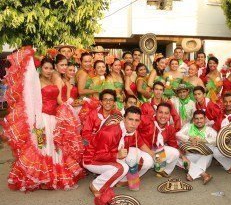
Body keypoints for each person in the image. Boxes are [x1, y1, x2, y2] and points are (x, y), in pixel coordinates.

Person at [5, 50, 84, 191]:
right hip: (41, 119)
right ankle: (40, 178)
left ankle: (51, 177)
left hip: (54, 119)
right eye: (45, 68)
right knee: (41, 146)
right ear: (41, 68)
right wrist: (36, 120)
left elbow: (59, 98)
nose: (48, 70)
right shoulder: (36, 81)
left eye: (50, 68)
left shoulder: (53, 80)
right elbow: (33, 101)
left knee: (55, 147)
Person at [82, 95, 154, 193]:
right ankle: (96, 186)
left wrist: (152, 154)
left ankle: (122, 181)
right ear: (124, 119)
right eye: (130, 119)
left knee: (148, 160)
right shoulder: (110, 132)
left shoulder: (133, 131)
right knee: (122, 168)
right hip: (91, 159)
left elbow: (141, 144)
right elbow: (98, 155)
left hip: (111, 155)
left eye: (136, 120)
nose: (133, 124)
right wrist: (117, 155)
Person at [138, 103, 180, 177]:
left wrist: (183, 157)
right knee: (148, 162)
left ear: (170, 115)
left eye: (166, 113)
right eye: (160, 112)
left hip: (155, 150)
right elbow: (131, 124)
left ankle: (161, 170)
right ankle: (129, 178)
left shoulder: (170, 128)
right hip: (142, 149)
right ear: (156, 112)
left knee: (175, 152)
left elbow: (174, 145)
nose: (163, 116)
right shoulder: (145, 120)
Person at [176, 110, 215, 184]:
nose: (199, 121)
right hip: (189, 156)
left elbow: (216, 140)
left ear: (205, 119)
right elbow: (178, 134)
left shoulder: (209, 130)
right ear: (193, 120)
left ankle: (192, 173)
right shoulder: (188, 126)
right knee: (176, 157)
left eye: (201, 118)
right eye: (196, 118)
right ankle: (204, 174)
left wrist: (201, 140)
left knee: (211, 148)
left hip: (203, 157)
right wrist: (190, 138)